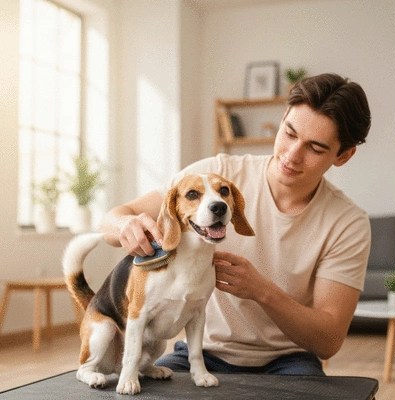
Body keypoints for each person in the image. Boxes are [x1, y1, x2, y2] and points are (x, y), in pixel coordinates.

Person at [99, 73, 372, 376]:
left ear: (343, 156)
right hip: (201, 352)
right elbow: (111, 220)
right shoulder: (216, 175)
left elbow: (329, 340)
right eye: (289, 133)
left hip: (290, 361)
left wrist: (262, 291)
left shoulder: (348, 223)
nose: (292, 156)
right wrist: (126, 224)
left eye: (315, 148)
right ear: (282, 119)